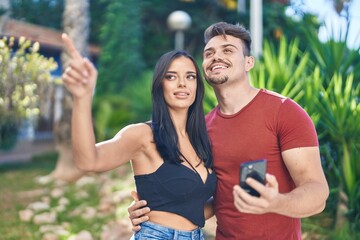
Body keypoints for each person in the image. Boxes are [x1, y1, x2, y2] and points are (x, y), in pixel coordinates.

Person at [128, 22, 329, 239]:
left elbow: (317, 192)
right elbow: (211, 199)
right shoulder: (201, 129)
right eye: (209, 53)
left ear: (248, 62)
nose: (216, 57)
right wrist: (154, 214)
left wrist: (276, 202)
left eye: (228, 50)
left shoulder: (284, 112)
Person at [61, 33, 217, 240]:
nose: (182, 83)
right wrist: (82, 97)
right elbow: (89, 160)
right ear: (159, 85)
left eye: (190, 76)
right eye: (171, 76)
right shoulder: (143, 135)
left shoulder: (202, 139)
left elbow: (196, 207)